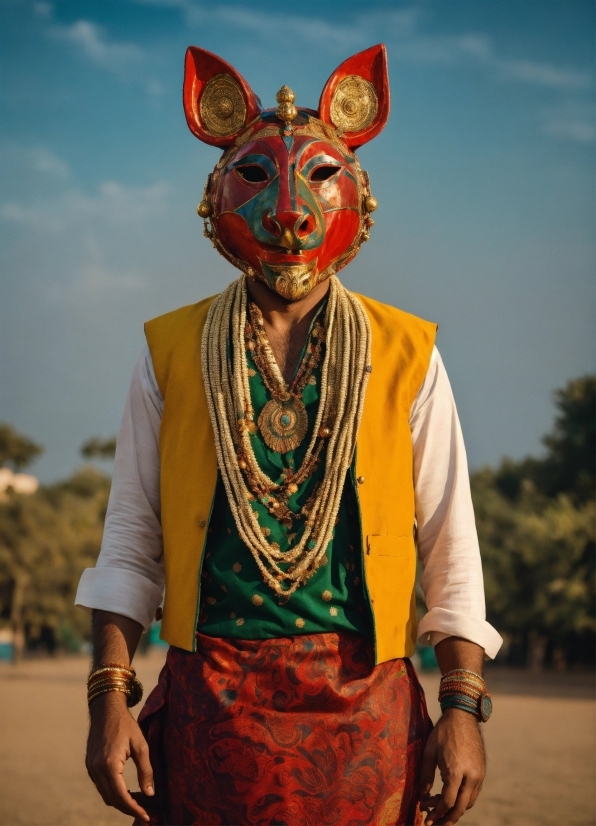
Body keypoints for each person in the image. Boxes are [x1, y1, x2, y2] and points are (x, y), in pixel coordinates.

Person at [77, 44, 502, 826]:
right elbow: (132, 539)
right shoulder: (172, 351)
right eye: (255, 176)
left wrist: (464, 708)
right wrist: (109, 697)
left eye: (319, 175)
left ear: (360, 197)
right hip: (211, 709)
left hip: (369, 711)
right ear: (214, 197)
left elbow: (450, 545)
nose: (288, 210)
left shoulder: (406, 353)